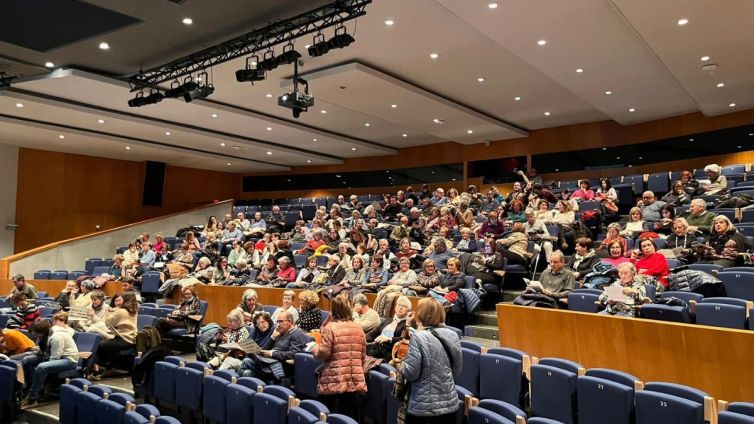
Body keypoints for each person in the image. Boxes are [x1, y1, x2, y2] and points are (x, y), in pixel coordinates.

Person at [397, 298, 462, 423]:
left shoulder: (418, 337)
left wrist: (402, 364)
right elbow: (457, 370)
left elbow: (411, 373)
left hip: (423, 407)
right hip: (449, 405)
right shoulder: (453, 335)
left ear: (421, 315)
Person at [313, 294, 367, 417]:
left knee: (329, 416)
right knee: (347, 417)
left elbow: (323, 355)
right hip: (354, 380)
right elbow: (362, 357)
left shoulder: (330, 328)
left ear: (333, 309)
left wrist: (314, 350)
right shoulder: (359, 328)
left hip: (334, 379)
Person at [20, 312, 79, 409]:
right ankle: (33, 387)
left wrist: (42, 361)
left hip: (68, 359)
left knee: (42, 367)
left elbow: (54, 358)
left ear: (41, 333)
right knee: (27, 360)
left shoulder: (56, 337)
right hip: (51, 355)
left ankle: (32, 398)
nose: (34, 337)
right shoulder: (45, 334)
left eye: (35, 334)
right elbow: (43, 351)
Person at [237, 310, 308, 381]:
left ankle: (235, 383)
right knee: (247, 372)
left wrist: (272, 354)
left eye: (281, 321)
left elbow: (294, 353)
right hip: (269, 362)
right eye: (278, 322)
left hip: (279, 367)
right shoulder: (280, 332)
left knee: (247, 362)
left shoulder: (297, 333)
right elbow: (264, 349)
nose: (279, 324)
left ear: (289, 321)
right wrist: (273, 337)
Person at [94, 292, 138, 376]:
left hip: (123, 339)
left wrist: (107, 312)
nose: (118, 302)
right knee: (105, 344)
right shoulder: (133, 310)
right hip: (131, 339)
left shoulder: (121, 311)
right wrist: (112, 310)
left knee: (98, 344)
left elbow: (108, 322)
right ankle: (108, 367)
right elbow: (117, 310)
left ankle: (96, 368)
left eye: (121, 300)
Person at [366, 296, 415, 361]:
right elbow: (372, 334)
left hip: (391, 354)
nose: (400, 308)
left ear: (408, 311)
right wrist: (362, 338)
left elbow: (405, 339)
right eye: (399, 305)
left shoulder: (410, 323)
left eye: (404, 306)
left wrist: (389, 339)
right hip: (376, 350)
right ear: (395, 307)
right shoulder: (387, 320)